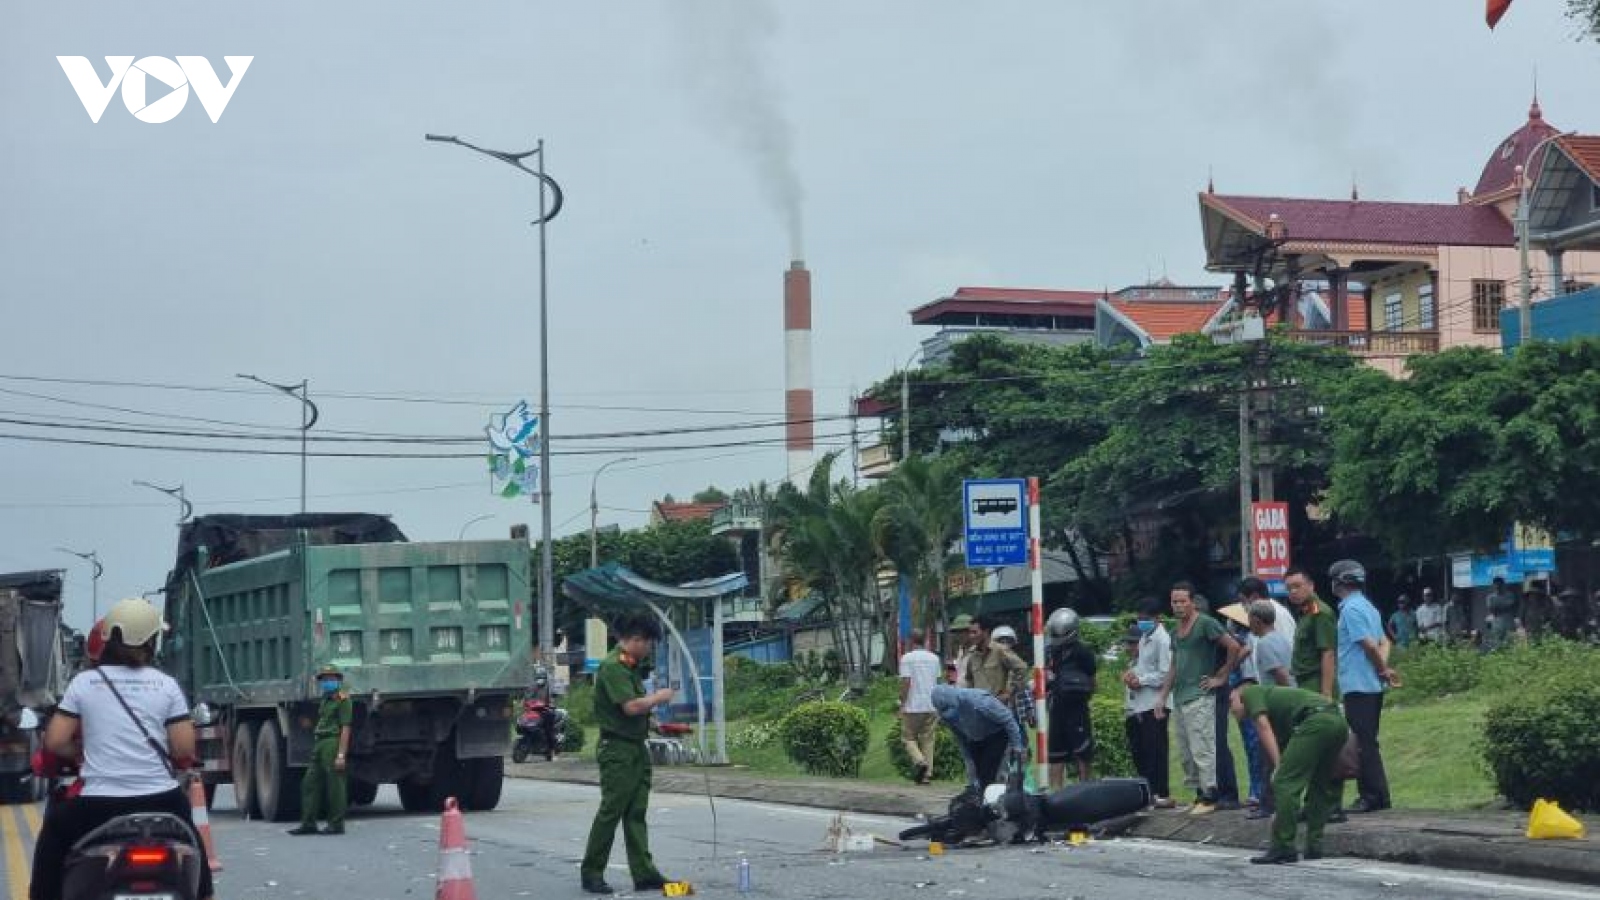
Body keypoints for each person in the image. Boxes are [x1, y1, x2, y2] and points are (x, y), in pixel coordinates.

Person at [29, 599, 214, 900]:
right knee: (195, 844)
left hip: (97, 806)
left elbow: (55, 741)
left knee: (53, 834)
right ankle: (205, 895)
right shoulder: (165, 685)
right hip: (162, 801)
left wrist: (78, 754)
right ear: (152, 641)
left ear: (109, 638)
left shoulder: (84, 683)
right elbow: (183, 749)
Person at [581, 613, 677, 895]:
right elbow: (630, 707)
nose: (649, 649)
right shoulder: (613, 667)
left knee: (636, 811)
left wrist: (656, 725)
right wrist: (658, 698)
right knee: (611, 811)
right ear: (636, 639)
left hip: (635, 746)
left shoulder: (629, 666)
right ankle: (592, 872)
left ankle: (644, 873)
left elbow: (634, 712)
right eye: (648, 644)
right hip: (618, 750)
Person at [1231, 684, 1350, 865]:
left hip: (1315, 721)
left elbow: (1263, 726)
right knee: (1320, 784)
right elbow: (1286, 744)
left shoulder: (1250, 692)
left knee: (1285, 783)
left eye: (1231, 703)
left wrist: (1279, 767)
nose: (1232, 710)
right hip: (1337, 721)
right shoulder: (1279, 706)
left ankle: (1283, 846)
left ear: (1237, 695)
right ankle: (1314, 845)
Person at [1156, 581, 1241, 816]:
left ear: (1192, 602)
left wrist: (1221, 676)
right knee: (1186, 750)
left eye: (1183, 601)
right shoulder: (1174, 631)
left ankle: (1210, 794)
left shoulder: (1205, 623)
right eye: (1175, 602)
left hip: (1201, 694)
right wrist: (1162, 696)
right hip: (1181, 695)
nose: (1179, 606)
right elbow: (1174, 665)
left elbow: (1234, 646)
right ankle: (1198, 793)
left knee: (1203, 746)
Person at [1330, 560, 1399, 814]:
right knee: (1368, 740)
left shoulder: (1351, 610)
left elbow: (1369, 645)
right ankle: (1378, 794)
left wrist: (1381, 668)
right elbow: (1384, 642)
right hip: (1370, 682)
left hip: (1357, 683)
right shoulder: (1368, 607)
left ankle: (1371, 796)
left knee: (1362, 741)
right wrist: (1383, 668)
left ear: (1340, 582)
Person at [1121, 598, 1173, 808]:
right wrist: (1132, 677)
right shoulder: (1144, 638)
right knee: (1143, 750)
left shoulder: (1163, 640)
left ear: (1157, 618)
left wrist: (1140, 680)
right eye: (1140, 619)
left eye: (1146, 619)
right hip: (1141, 703)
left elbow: (1164, 673)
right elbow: (1143, 668)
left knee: (1156, 749)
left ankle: (1161, 792)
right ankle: (1148, 792)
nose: (1142, 622)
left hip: (1157, 702)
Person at [290, 664, 353, 835]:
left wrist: (341, 755)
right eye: (324, 679)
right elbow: (324, 720)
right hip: (320, 742)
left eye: (331, 678)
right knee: (309, 783)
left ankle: (336, 824)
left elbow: (345, 728)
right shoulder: (326, 698)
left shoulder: (343, 699)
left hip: (333, 743)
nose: (327, 682)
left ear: (338, 680)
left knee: (335, 785)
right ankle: (308, 823)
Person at [930, 685, 1025, 791]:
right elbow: (961, 738)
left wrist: (1017, 746)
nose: (949, 713)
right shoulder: (946, 716)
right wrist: (969, 760)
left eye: (949, 708)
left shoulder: (979, 701)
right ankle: (983, 800)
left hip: (996, 734)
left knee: (989, 777)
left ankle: (995, 801)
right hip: (974, 739)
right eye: (943, 710)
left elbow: (1008, 719)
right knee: (978, 780)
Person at [1218, 603, 1265, 813]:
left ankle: (1258, 792)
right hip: (1239, 694)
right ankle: (1256, 791)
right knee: (1250, 745)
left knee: (1255, 745)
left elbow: (1247, 672)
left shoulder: (1249, 643)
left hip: (1246, 694)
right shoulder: (1244, 641)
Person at [1043, 608, 1095, 788]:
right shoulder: (1051, 652)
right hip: (1056, 708)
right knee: (1056, 754)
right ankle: (1056, 792)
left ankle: (1085, 788)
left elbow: (1093, 680)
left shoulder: (1084, 653)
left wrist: (1083, 695)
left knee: (1083, 752)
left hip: (1077, 709)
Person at [1285, 567, 1338, 698]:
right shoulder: (1305, 612)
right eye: (1289, 588)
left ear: (1311, 586)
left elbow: (1328, 653)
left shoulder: (1319, 613)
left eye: (1297, 586)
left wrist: (1326, 692)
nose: (1293, 591)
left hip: (1316, 682)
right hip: (1304, 681)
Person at [898, 632, 942, 785]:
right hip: (932, 704)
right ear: (925, 640)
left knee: (908, 738)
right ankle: (926, 775)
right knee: (928, 739)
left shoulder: (907, 658)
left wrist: (901, 703)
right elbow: (937, 680)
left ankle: (920, 761)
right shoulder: (935, 658)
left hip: (913, 705)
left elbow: (906, 682)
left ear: (911, 641)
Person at [965, 614, 1028, 704]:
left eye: (975, 632)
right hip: (978, 707)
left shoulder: (1000, 650)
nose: (971, 636)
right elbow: (969, 678)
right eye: (970, 632)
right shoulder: (972, 655)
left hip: (997, 707)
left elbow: (1022, 668)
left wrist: (1008, 692)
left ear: (986, 632)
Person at [1484, 577, 1521, 651]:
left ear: (1503, 584)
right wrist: (1502, 606)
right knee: (1497, 644)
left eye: (1499, 584)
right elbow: (1491, 608)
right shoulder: (1490, 597)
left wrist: (1498, 606)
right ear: (1493, 585)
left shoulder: (1510, 595)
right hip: (1496, 622)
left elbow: (1510, 604)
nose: (1498, 586)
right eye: (1496, 584)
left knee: (1510, 643)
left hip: (1509, 622)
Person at [948, 614, 976, 687]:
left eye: (961, 632)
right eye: (956, 632)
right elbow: (953, 678)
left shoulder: (977, 651)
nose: (958, 635)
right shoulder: (959, 651)